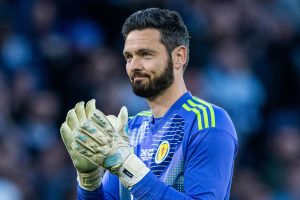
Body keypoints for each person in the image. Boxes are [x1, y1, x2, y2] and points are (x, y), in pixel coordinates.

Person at [60, 8, 238, 200]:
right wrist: (89, 181)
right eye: (129, 57)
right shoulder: (129, 129)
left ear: (179, 56)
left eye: (146, 54)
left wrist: (127, 167)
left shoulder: (208, 122)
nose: (134, 66)